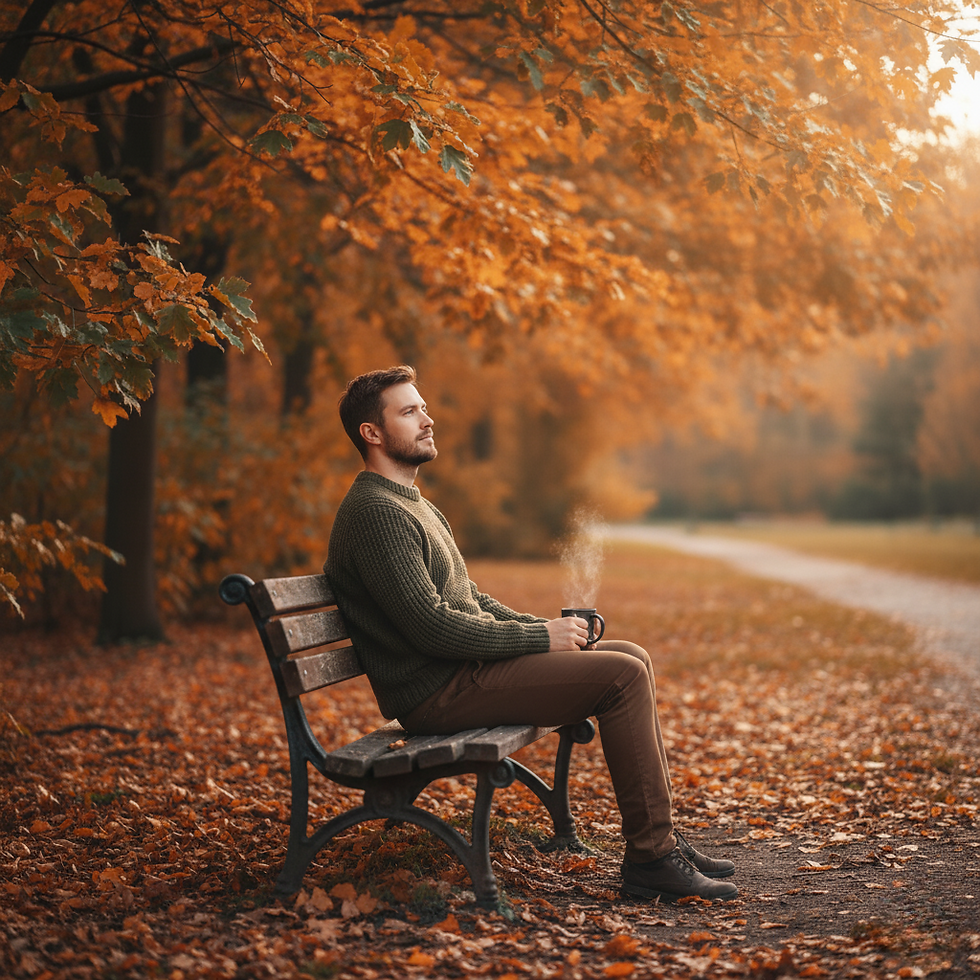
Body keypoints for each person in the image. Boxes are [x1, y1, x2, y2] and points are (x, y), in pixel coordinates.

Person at [324, 365, 738, 903]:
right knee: (622, 676)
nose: (428, 420)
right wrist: (541, 639)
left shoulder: (416, 506)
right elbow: (431, 627)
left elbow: (470, 603)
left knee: (629, 654)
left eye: (423, 407)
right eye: (409, 411)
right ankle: (651, 859)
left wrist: (546, 628)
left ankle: (662, 838)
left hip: (461, 674)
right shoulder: (375, 513)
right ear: (371, 433)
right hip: (436, 693)